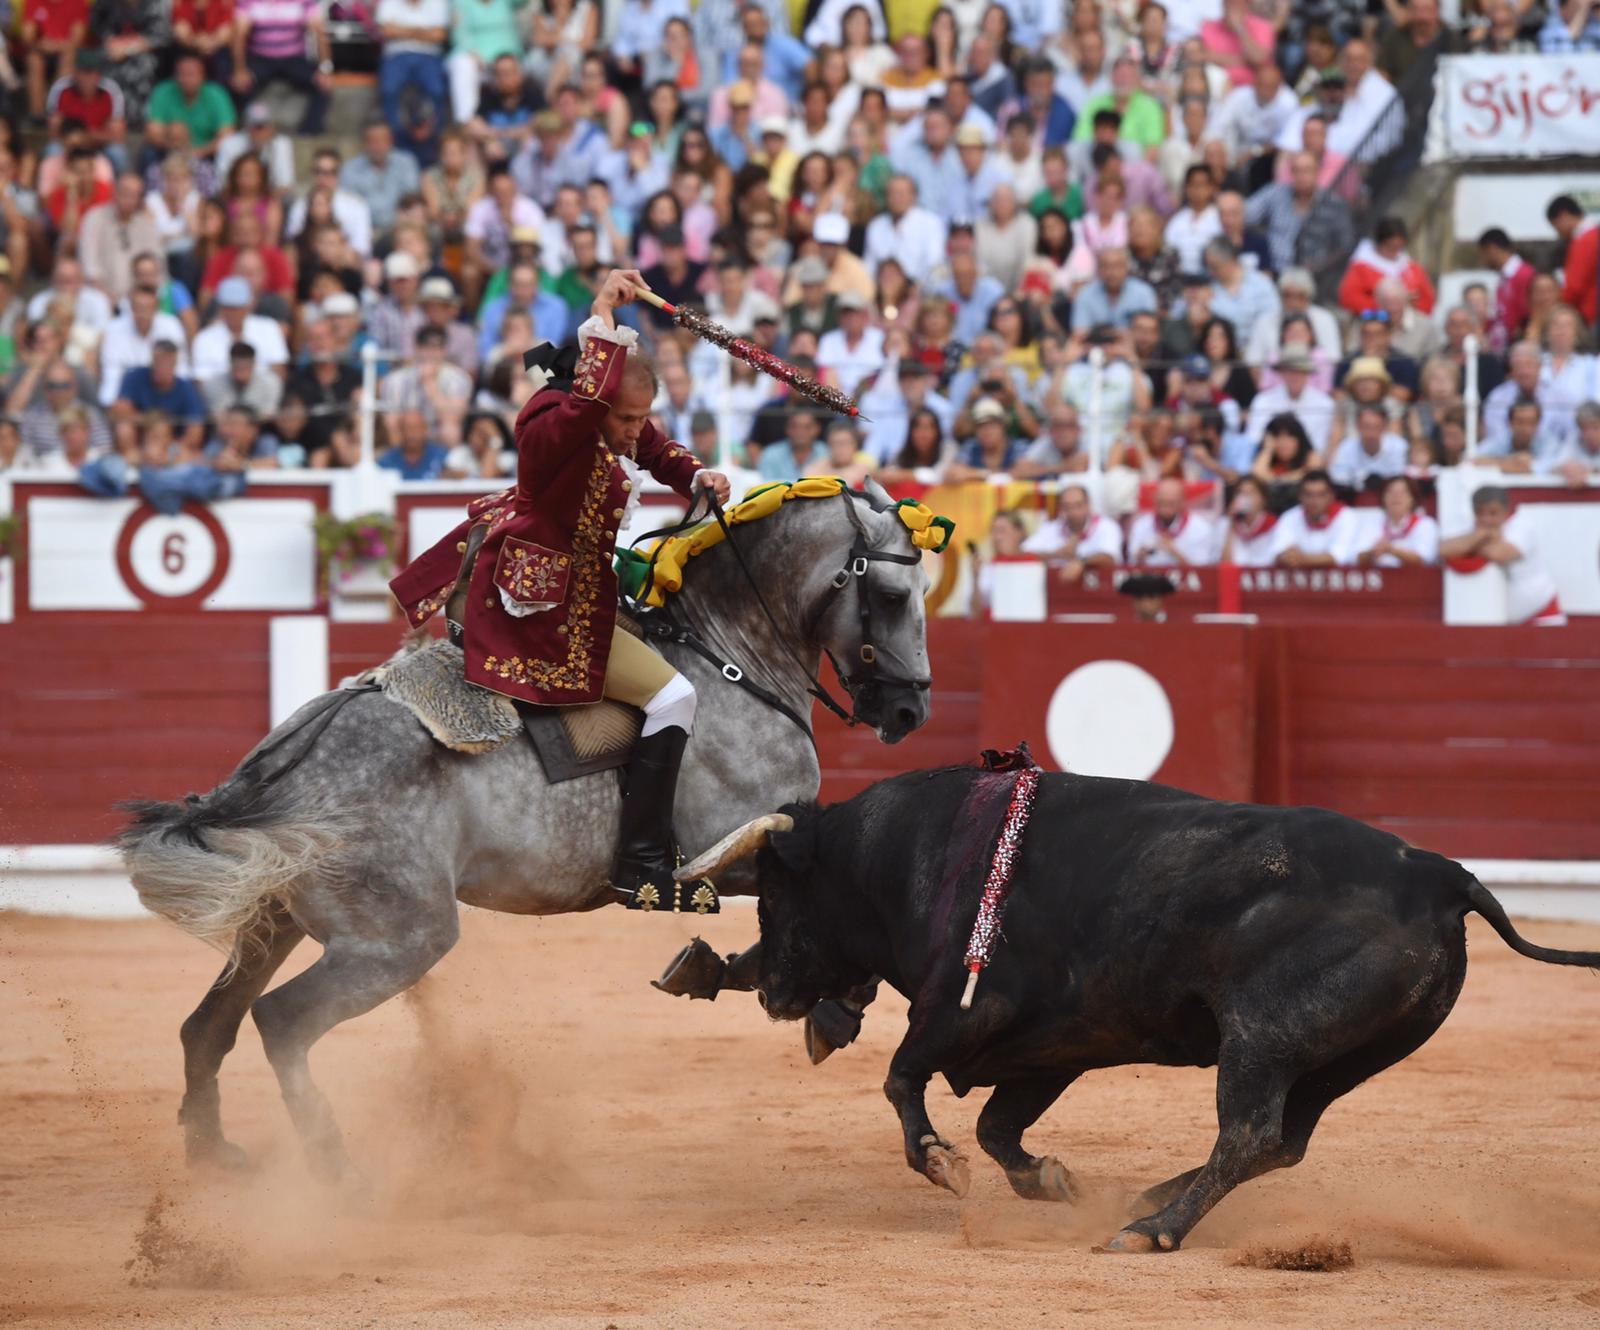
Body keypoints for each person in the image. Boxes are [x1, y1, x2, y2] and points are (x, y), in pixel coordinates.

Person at [390, 268, 732, 912]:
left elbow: (654, 447)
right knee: (676, 696)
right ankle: (643, 861)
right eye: (626, 419)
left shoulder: (611, 418)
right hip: (542, 609)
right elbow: (586, 412)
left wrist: (696, 475)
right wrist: (601, 312)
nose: (634, 432)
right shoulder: (553, 422)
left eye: (640, 418)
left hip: (571, 584)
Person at [1440, 486, 1563, 625]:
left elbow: (1499, 554)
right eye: (1480, 513)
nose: (1486, 519)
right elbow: (1443, 549)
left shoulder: (1521, 525)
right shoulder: (1475, 529)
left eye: (1493, 513)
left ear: (1506, 510)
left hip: (1541, 612)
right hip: (1502, 618)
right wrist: (1482, 535)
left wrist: (1468, 545)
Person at [232, 0, 332, 134]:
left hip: (294, 59)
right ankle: (245, 131)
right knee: (240, 85)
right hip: (260, 59)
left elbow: (319, 32)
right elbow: (239, 35)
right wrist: (239, 70)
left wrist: (325, 70)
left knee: (323, 85)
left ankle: (310, 133)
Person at [1019, 483, 1123, 580]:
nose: (1073, 512)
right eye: (1067, 506)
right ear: (1060, 508)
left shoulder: (1106, 526)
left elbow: (1109, 557)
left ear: (1088, 505)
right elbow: (1023, 554)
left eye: (1078, 505)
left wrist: (1081, 562)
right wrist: (1057, 554)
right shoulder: (1051, 528)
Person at [1270, 468, 1357, 567]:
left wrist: (1302, 559)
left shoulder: (1346, 516)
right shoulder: (1289, 517)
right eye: (1308, 494)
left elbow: (1339, 556)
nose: (1314, 501)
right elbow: (1277, 552)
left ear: (1331, 496)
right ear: (1300, 496)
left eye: (1321, 495)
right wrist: (1285, 556)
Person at [1127, 475, 1218, 567]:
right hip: (1147, 576)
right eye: (1161, 503)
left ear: (1182, 502)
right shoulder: (1141, 525)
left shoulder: (1200, 528)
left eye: (1171, 504)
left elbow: (1203, 571)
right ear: (1155, 500)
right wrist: (1140, 557)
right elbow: (1129, 565)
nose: (1165, 509)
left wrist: (1174, 552)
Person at [1354, 475, 1439, 567]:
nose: (1396, 497)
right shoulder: (1372, 523)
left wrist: (1390, 549)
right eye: (1391, 492)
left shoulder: (1425, 524)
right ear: (1383, 497)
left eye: (1403, 492)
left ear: (1412, 499)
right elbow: (1358, 557)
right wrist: (1372, 552)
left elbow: (1424, 559)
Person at [1330, 402, 1408, 491]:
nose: (1371, 433)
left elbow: (1400, 479)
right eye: (1366, 427)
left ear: (1385, 426)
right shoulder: (1346, 447)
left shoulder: (1398, 446)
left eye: (1376, 427)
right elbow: (1338, 479)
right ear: (1357, 426)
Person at [1218, 474, 1277, 566]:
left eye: (1251, 493)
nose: (1246, 497)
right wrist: (1231, 522)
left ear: (1263, 499)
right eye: (1241, 493)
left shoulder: (1274, 526)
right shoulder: (1228, 523)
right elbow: (1225, 564)